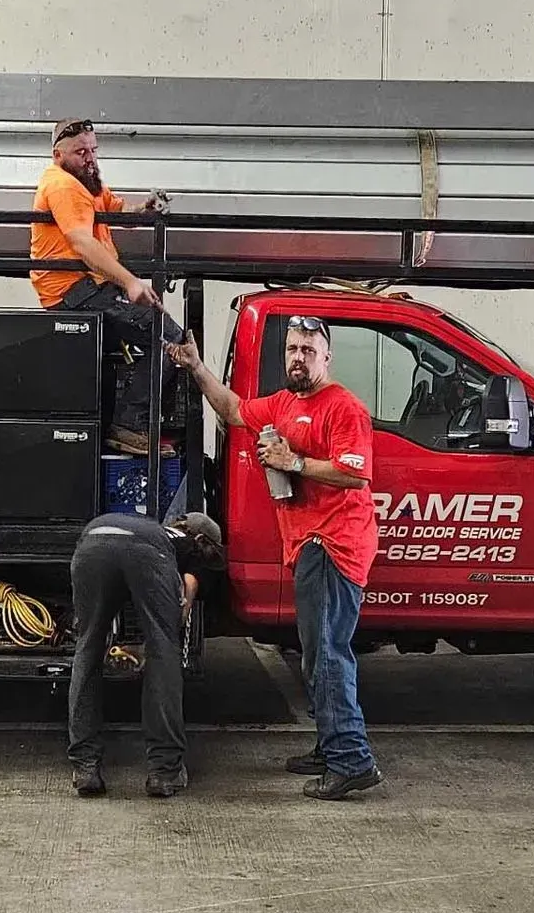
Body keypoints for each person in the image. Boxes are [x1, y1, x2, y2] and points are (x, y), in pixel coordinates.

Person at [168, 317, 383, 801]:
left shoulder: (343, 407)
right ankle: (331, 747)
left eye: (309, 349)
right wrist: (197, 367)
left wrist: (295, 462)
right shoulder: (283, 404)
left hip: (335, 546)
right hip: (310, 544)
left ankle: (352, 759)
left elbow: (356, 475)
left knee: (328, 655)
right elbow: (232, 409)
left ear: (326, 357)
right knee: (315, 655)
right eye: (292, 348)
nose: (299, 357)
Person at [30, 119, 182, 456]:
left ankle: (129, 418)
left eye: (93, 150)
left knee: (161, 335)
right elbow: (82, 242)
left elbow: (116, 211)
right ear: (58, 155)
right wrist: (129, 282)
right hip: (76, 293)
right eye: (80, 151)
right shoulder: (63, 186)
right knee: (170, 336)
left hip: (88, 289)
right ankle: (129, 424)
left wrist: (144, 209)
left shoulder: (87, 183)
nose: (89, 158)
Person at [67, 511, 225, 800]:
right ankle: (164, 772)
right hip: (146, 551)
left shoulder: (156, 526)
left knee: (87, 648)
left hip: (92, 541)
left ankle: (85, 767)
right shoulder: (188, 546)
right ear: (200, 538)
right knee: (164, 652)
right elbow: (185, 597)